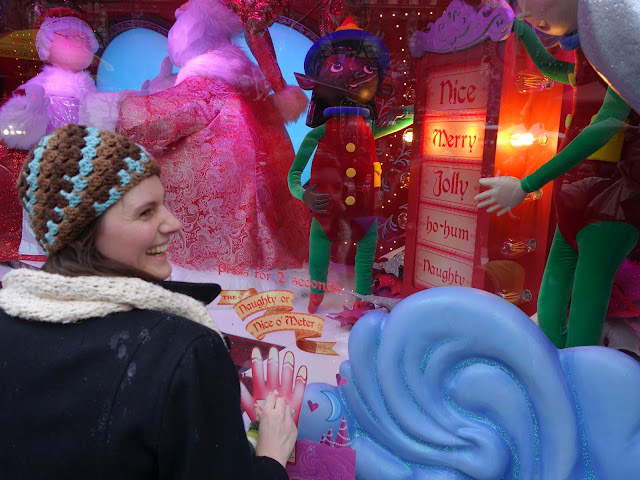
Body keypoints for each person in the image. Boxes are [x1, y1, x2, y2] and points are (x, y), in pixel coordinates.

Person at [0, 124, 297, 478]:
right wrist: (270, 457)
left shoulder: (9, 319)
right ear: (82, 231)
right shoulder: (184, 351)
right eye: (145, 212)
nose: (173, 223)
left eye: (163, 205)